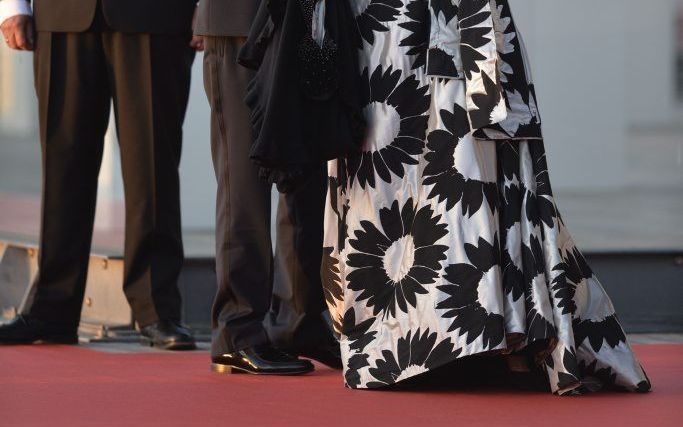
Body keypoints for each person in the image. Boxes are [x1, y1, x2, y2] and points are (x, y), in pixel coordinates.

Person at [322, 0, 652, 394]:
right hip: (385, 33)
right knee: (399, 173)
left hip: (444, 30)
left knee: (465, 170)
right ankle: (443, 338)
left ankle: (497, 334)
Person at [0, 0, 197, 350]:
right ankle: (52, 308)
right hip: (61, 14)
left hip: (159, 15)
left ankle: (157, 310)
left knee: (152, 168)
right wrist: (12, 5)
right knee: (62, 167)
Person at [192, 0, 341, 375]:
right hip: (241, 22)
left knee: (306, 176)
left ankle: (298, 321)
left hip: (311, 21)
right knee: (244, 183)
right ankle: (236, 330)